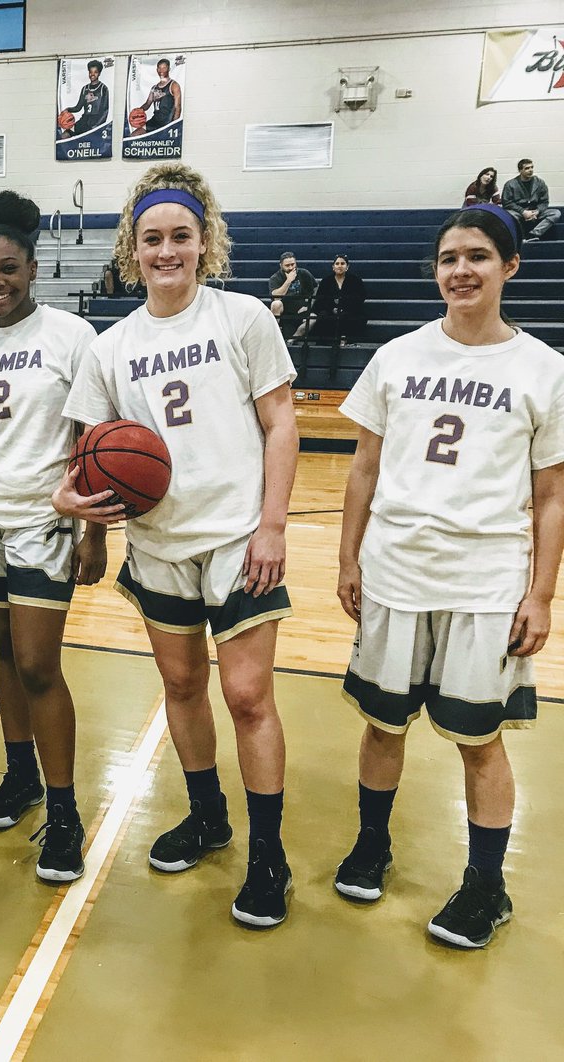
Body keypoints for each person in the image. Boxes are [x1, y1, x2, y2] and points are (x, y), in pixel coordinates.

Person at [55, 163, 299, 928]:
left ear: (204, 243)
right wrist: (70, 502)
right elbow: (88, 454)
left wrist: (273, 525)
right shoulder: (110, 347)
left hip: (237, 538)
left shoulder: (243, 319)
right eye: (152, 238)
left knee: (248, 696)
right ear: (133, 249)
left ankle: (269, 857)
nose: (167, 251)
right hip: (159, 545)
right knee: (183, 686)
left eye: (181, 237)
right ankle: (207, 815)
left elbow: (281, 424)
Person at [334, 203, 564, 948]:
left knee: (479, 739)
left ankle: (486, 887)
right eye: (448, 258)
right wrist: (348, 557)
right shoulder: (397, 356)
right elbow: (363, 468)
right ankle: (372, 845)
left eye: (477, 256)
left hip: (485, 581)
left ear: (510, 267)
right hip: (396, 570)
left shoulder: (545, 369)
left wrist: (541, 595)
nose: (460, 271)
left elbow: (553, 494)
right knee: (382, 726)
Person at [0, 190, 103, 883]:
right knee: (4, 650)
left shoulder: (72, 336)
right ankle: (20, 775)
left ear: (33, 269)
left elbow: (92, 437)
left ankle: (64, 812)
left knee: (38, 664)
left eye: (8, 269)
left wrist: (93, 532)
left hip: (44, 518)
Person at [310, 255, 368, 346]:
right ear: (333, 267)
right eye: (337, 264)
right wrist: (332, 308)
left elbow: (360, 297)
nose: (340, 266)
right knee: (323, 315)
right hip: (330, 310)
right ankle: (328, 342)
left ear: (347, 267)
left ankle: (346, 339)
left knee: (355, 316)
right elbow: (321, 299)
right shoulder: (326, 281)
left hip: (349, 310)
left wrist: (344, 307)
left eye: (342, 263)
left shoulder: (355, 280)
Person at [501, 159, 559, 243]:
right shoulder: (510, 184)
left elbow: (544, 201)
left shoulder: (540, 183)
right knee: (510, 214)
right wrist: (523, 211)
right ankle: (521, 237)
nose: (530, 170)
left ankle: (533, 234)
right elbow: (507, 203)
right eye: (527, 168)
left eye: (532, 167)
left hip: (535, 211)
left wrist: (537, 211)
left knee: (556, 213)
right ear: (520, 170)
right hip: (518, 212)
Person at [269, 251, 317, 338]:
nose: (291, 268)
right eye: (287, 265)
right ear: (281, 265)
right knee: (275, 304)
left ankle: (293, 339)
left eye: (293, 264)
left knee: (313, 318)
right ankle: (275, 335)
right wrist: (288, 281)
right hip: (286, 311)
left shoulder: (304, 273)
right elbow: (276, 297)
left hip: (303, 309)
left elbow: (316, 289)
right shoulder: (275, 278)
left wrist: (309, 306)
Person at [62, 60, 111, 136]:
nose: (92, 74)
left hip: (95, 121)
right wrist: (68, 109)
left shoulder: (103, 88)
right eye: (90, 72)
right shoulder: (85, 89)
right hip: (84, 120)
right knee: (65, 134)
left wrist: (97, 126)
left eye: (95, 72)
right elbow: (78, 107)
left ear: (99, 73)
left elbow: (105, 111)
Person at [140, 58, 182, 131]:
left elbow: (177, 107)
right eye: (159, 68)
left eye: (164, 68)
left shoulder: (174, 85)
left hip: (166, 124)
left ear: (169, 69)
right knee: (135, 135)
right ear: (157, 70)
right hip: (155, 122)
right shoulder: (154, 88)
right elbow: (147, 104)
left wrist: (173, 126)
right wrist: (139, 110)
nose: (161, 70)